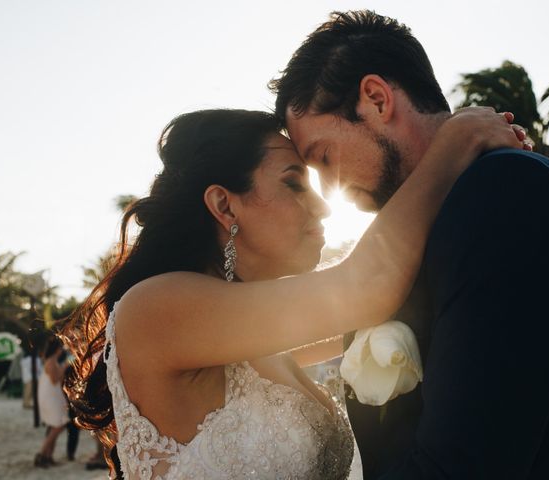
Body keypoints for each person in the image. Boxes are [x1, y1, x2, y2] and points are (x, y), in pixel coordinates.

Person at [61, 107, 524, 479]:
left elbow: (381, 300)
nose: (323, 206)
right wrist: (455, 141)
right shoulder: (155, 308)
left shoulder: (251, 338)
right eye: (292, 183)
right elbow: (365, 287)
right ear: (225, 205)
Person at [270, 10, 549, 479]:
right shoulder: (448, 218)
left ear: (375, 98)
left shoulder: (505, 195)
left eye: (324, 157)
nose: (328, 188)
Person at [34, 336, 69, 468]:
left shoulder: (52, 361)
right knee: (57, 426)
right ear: (57, 349)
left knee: (55, 425)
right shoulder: (51, 361)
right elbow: (55, 380)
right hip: (51, 398)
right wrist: (65, 367)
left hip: (52, 396)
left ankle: (48, 456)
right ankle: (42, 455)